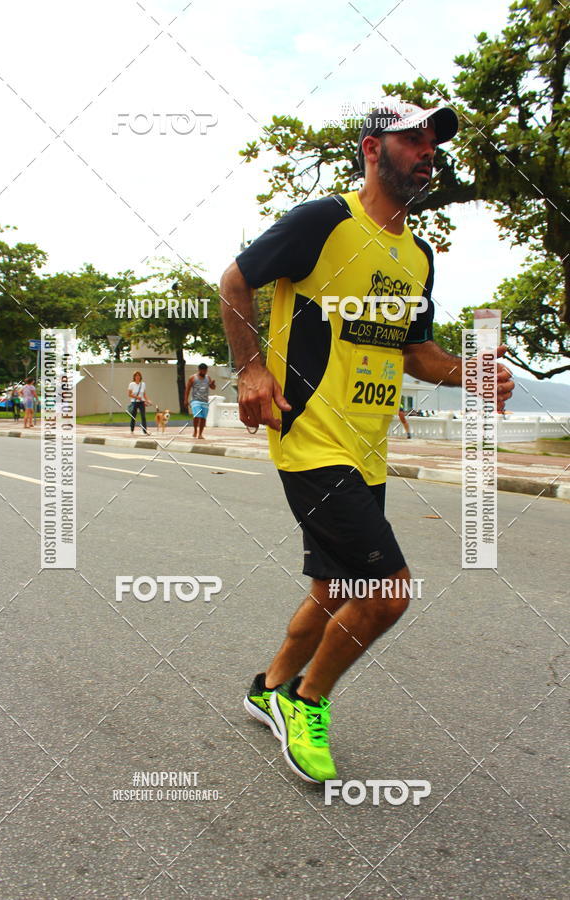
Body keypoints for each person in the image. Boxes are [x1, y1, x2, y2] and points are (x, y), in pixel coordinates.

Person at [220, 99, 515, 784]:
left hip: (367, 447)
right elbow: (237, 280)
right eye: (411, 137)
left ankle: (269, 685)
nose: (426, 149)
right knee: (387, 592)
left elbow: (417, 352)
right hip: (312, 435)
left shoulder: (418, 257)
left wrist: (465, 372)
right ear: (371, 149)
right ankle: (305, 700)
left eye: (432, 141)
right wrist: (251, 367)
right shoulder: (326, 222)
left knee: (335, 587)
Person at [185, 363, 216, 439]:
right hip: (195, 400)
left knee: (203, 418)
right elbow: (187, 389)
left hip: (205, 401)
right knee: (197, 415)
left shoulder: (208, 378)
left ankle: (200, 434)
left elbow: (213, 388)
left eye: (206, 371)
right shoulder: (192, 378)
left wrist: (212, 384)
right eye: (203, 371)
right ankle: (195, 430)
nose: (204, 372)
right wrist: (185, 400)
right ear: (199, 370)